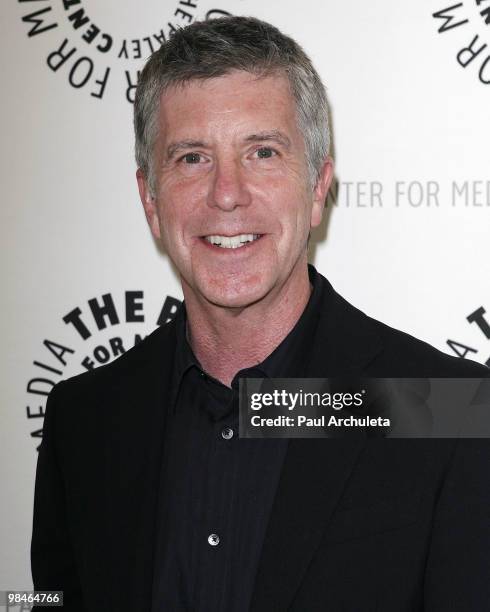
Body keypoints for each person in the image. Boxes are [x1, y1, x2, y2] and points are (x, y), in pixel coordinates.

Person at [31, 16, 490, 612]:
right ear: (150, 200)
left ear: (318, 186)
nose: (227, 193)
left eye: (263, 152)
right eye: (193, 157)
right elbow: (45, 603)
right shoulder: (83, 420)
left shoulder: (446, 411)